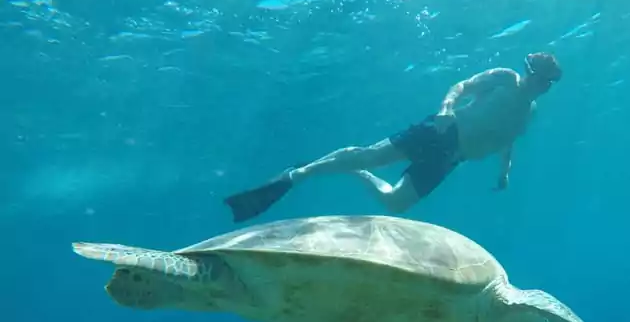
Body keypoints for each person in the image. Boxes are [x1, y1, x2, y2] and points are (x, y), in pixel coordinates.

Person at [224, 51, 562, 222]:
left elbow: (508, 138)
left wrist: (505, 171)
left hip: (453, 158)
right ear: (529, 73)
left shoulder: (530, 112)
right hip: (444, 132)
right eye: (539, 78)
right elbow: (462, 86)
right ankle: (298, 175)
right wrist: (446, 108)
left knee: (396, 203)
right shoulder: (504, 78)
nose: (541, 86)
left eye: (547, 83)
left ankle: (354, 172)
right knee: (373, 154)